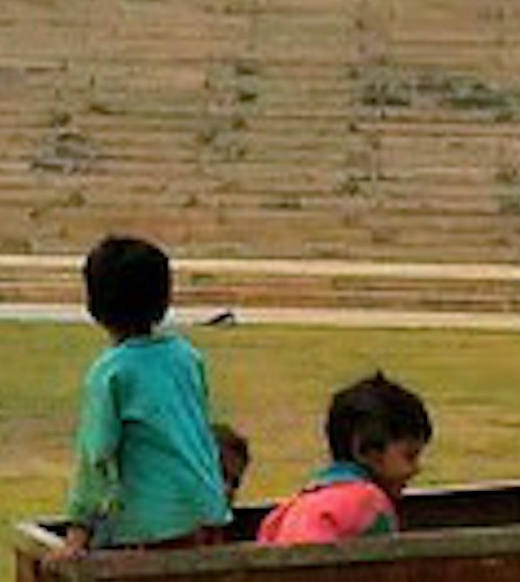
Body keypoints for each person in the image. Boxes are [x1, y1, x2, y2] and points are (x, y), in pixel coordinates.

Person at [58, 235, 228, 550]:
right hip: (209, 510)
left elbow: (95, 455)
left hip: (157, 524)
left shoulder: (112, 372)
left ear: (94, 304)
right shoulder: (186, 356)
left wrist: (78, 528)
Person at [256, 370, 432, 544]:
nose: (416, 469)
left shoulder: (289, 509)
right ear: (367, 451)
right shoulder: (369, 501)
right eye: (410, 456)